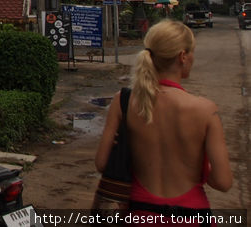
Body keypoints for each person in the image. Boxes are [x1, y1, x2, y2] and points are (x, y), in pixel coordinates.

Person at [94, 20, 232, 219]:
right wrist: (198, 163)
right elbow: (223, 182)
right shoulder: (205, 110)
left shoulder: (123, 101)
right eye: (192, 52)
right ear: (183, 56)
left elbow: (101, 163)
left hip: (139, 213)